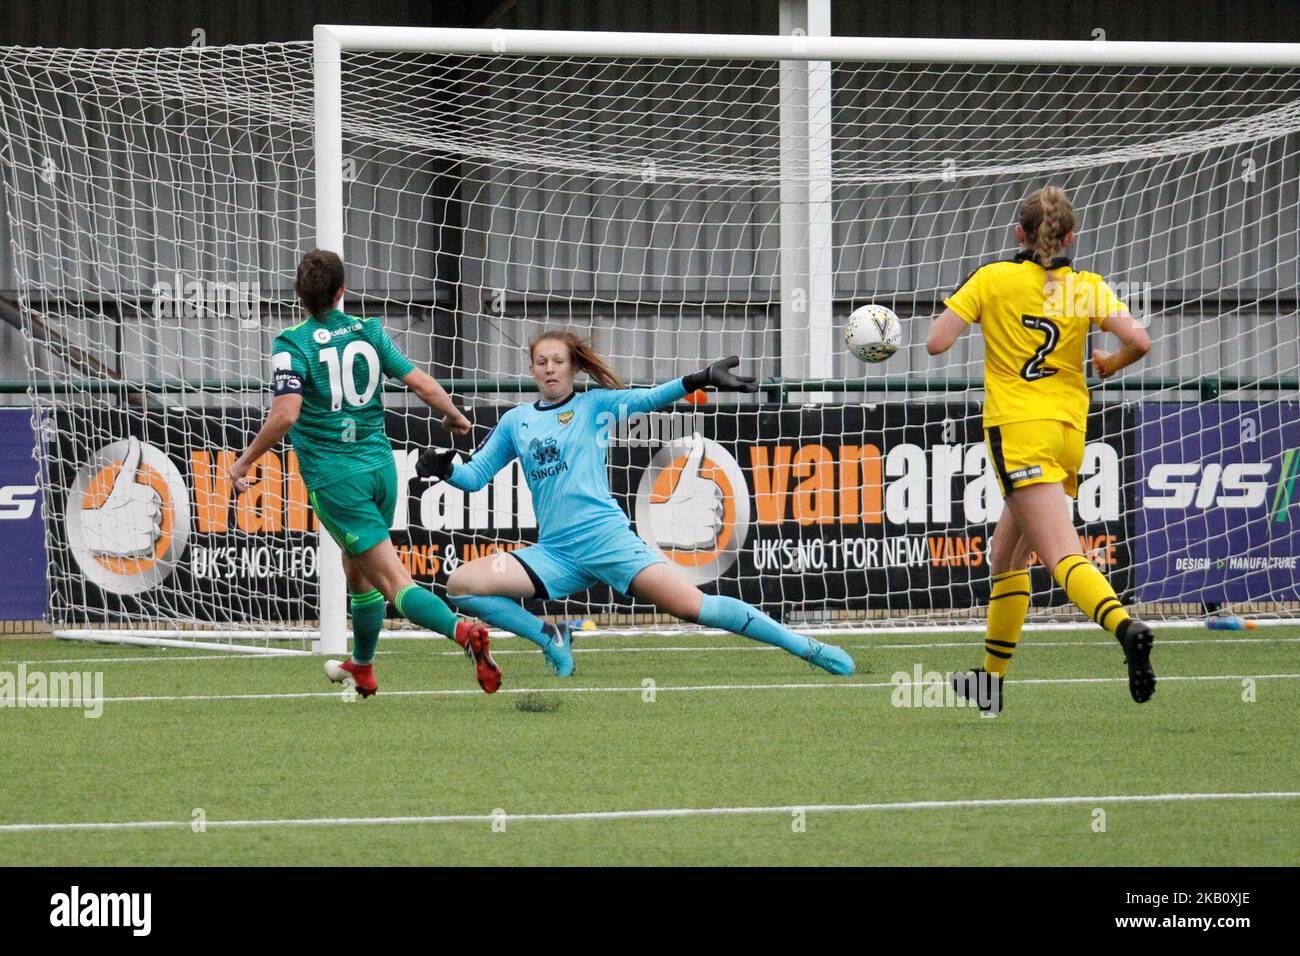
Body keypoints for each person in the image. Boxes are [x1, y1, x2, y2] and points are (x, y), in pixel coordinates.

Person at [415, 330, 856, 677]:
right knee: (461, 585)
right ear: (531, 368)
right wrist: (445, 467)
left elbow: (648, 397)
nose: (550, 369)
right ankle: (550, 637)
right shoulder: (517, 421)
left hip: (608, 542)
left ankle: (806, 647)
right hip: (555, 553)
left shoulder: (595, 407)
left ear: (574, 369)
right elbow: (476, 477)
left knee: (694, 608)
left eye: (559, 362)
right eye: (542, 362)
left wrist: (699, 378)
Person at [926, 186, 1155, 717]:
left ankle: (1127, 628)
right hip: (1069, 430)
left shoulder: (993, 278)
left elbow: (937, 343)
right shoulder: (1084, 288)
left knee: (1060, 556)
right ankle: (990, 681)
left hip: (1019, 429)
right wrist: (1110, 363)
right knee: (1007, 556)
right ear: (1071, 238)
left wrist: (973, 309)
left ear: (1018, 235)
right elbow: (1140, 341)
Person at [230, 249, 500, 697]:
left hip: (337, 480)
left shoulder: (291, 344)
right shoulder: (369, 331)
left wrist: (244, 461)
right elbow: (420, 383)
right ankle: (363, 666)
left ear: (299, 294)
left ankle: (463, 633)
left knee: (394, 583)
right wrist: (454, 415)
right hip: (380, 470)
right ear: (342, 291)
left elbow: (286, 415)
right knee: (355, 569)